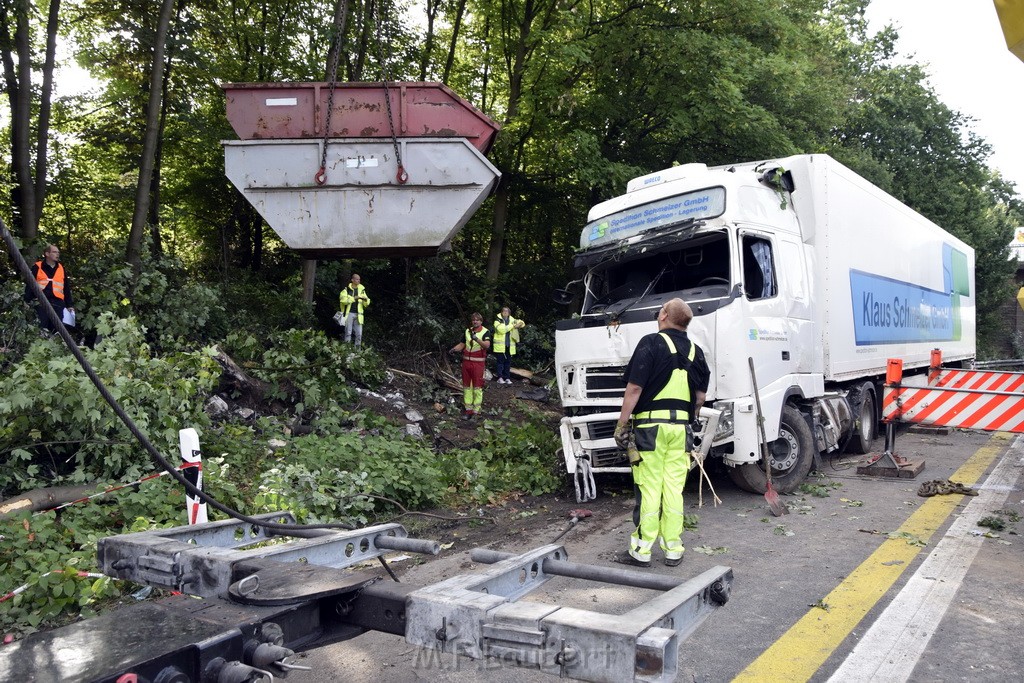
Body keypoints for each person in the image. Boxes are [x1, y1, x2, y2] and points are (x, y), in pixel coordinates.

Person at [613, 298, 710, 568]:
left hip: (650, 430)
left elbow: (634, 389)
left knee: (649, 486)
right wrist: (690, 416)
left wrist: (622, 424)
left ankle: (641, 551)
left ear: (664, 315)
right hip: (681, 430)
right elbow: (700, 396)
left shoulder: (651, 343)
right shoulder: (696, 351)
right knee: (674, 489)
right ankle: (673, 549)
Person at [449, 312, 491, 420]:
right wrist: (454, 349)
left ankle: (476, 412)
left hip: (478, 364)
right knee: (467, 387)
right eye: (473, 320)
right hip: (466, 363)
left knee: (477, 387)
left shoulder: (486, 332)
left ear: (481, 321)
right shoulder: (467, 331)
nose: (475, 321)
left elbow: (487, 345)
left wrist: (476, 339)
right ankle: (468, 410)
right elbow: (462, 344)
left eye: (477, 320)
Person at [24, 244, 74, 333]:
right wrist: (26, 300)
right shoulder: (37, 267)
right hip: (41, 302)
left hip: (58, 303)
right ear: (47, 254)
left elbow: (66, 287)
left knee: (57, 330)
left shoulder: (61, 268)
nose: (57, 254)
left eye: (58, 252)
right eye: (54, 252)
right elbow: (30, 284)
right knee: (42, 328)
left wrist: (69, 305)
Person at [491, 306, 525, 384]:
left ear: (509, 313)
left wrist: (519, 324)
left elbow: (522, 323)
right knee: (500, 362)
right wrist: (513, 326)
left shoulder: (512, 320)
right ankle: (500, 377)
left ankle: (507, 378)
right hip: (500, 346)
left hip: (509, 346)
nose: (505, 312)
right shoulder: (497, 320)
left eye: (507, 311)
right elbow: (501, 330)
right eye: (504, 311)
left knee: (508, 363)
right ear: (501, 312)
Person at [338, 273, 370, 348]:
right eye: (356, 279)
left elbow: (367, 302)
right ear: (352, 280)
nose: (358, 281)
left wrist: (365, 300)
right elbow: (343, 300)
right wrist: (354, 298)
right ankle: (346, 350)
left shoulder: (362, 289)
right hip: (349, 313)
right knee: (348, 333)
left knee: (359, 334)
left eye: (359, 279)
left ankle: (357, 352)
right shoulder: (346, 289)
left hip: (359, 315)